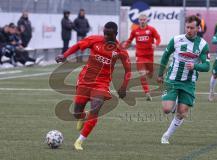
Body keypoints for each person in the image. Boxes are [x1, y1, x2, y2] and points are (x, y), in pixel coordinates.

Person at [55, 22, 131, 150]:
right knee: (76, 114)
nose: (106, 36)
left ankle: (79, 141)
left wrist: (123, 87)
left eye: (109, 34)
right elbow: (78, 46)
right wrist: (64, 55)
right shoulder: (95, 39)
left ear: (116, 34)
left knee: (95, 110)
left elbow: (128, 70)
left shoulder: (120, 50)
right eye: (105, 33)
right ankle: (82, 116)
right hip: (85, 80)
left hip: (101, 83)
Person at [157, 15, 210, 144]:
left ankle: (166, 136)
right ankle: (174, 102)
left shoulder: (203, 45)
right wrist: (159, 74)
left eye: (192, 28)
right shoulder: (176, 40)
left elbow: (207, 66)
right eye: (187, 27)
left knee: (182, 113)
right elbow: (165, 57)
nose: (189, 30)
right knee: (166, 109)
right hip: (172, 79)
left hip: (189, 82)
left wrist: (195, 66)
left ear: (198, 28)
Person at [124, 14, 161, 101]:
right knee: (142, 74)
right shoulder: (135, 31)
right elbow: (129, 40)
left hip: (149, 56)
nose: (142, 21)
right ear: (138, 20)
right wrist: (126, 45)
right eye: (141, 20)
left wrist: (156, 44)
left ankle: (150, 74)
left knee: (150, 74)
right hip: (140, 56)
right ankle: (147, 92)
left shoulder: (151, 30)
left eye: (144, 19)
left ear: (147, 20)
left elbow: (158, 38)